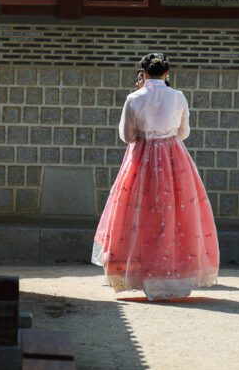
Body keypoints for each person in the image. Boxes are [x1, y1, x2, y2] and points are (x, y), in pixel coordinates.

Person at [91, 53, 219, 301]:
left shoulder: (134, 98)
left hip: (142, 157)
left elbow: (126, 136)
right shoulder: (178, 96)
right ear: (167, 74)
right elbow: (184, 132)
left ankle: (139, 270)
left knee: (139, 213)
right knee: (175, 214)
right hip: (174, 158)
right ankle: (175, 273)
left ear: (143, 73)